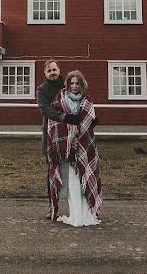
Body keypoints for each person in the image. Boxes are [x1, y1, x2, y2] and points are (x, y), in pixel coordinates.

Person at [45, 70, 101, 226]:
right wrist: (68, 129)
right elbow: (54, 122)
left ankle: (85, 215)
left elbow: (88, 119)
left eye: (77, 83)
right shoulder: (59, 100)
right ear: (68, 84)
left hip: (84, 149)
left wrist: (90, 124)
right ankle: (75, 214)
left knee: (85, 180)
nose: (74, 86)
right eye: (72, 83)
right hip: (66, 149)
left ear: (81, 84)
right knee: (73, 183)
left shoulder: (87, 101)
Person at [37, 60, 79, 218]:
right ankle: (52, 206)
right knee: (53, 171)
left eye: (54, 69)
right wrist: (64, 117)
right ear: (45, 74)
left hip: (71, 135)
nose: (52, 72)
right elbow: (44, 108)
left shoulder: (68, 85)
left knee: (74, 170)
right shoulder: (42, 90)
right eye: (49, 71)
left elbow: (79, 101)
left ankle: (76, 205)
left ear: (59, 70)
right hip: (52, 136)